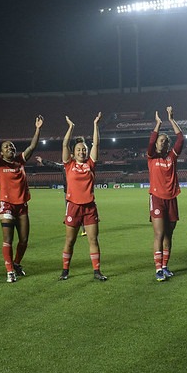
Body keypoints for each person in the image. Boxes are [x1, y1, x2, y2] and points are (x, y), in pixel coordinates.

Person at [0, 116, 43, 283]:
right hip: (7, 205)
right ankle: (9, 271)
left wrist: (37, 128)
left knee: (24, 240)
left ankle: (16, 263)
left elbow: (32, 146)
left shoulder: (20, 161)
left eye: (12, 146)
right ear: (2, 152)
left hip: (22, 205)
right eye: (6, 146)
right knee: (8, 239)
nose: (10, 147)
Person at [59, 113, 107, 281]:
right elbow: (64, 144)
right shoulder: (69, 163)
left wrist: (95, 124)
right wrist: (70, 128)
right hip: (73, 206)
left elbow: (97, 143)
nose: (82, 151)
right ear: (73, 152)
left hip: (89, 207)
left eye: (84, 149)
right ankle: (65, 271)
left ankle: (97, 271)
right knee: (70, 241)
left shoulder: (90, 164)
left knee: (93, 240)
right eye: (79, 149)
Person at [147, 107, 184, 281]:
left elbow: (180, 138)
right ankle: (158, 269)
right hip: (157, 198)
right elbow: (151, 141)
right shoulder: (151, 156)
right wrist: (158, 125)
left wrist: (171, 119)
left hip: (172, 199)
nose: (163, 143)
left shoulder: (172, 157)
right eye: (160, 141)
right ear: (156, 143)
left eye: (165, 141)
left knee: (169, 235)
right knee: (159, 234)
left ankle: (165, 266)